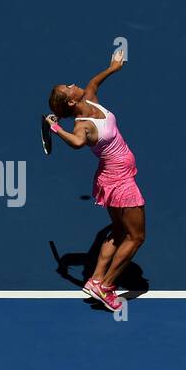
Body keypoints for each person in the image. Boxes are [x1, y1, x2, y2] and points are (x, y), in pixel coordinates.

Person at [45, 50, 145, 311]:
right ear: (70, 103)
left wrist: (113, 67)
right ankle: (106, 286)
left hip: (113, 177)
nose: (73, 85)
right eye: (68, 88)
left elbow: (93, 83)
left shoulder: (88, 98)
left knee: (119, 230)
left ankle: (94, 281)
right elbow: (78, 143)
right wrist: (56, 129)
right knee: (136, 237)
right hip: (118, 181)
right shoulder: (82, 126)